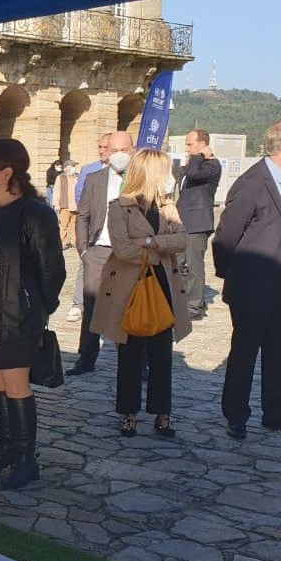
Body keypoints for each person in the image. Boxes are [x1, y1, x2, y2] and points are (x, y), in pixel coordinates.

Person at [0, 138, 64, 491]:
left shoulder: (36, 212)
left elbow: (52, 269)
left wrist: (38, 307)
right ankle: (6, 448)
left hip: (17, 314)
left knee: (16, 385)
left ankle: (25, 459)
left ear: (6, 172)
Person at [213, 117, 281, 441]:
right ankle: (236, 414)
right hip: (253, 285)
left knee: (279, 350)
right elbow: (226, 237)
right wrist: (237, 274)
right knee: (245, 352)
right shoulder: (251, 183)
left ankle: (277, 413)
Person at [90, 149, 191, 438]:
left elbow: (183, 239)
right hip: (129, 287)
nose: (170, 177)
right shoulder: (119, 206)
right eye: (165, 170)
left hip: (163, 285)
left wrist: (148, 241)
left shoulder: (168, 205)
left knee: (162, 353)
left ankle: (162, 413)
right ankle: (128, 413)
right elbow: (122, 248)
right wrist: (160, 245)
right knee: (130, 353)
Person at [72, 131, 133, 375]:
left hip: (129, 254)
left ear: (132, 150)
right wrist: (84, 249)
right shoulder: (95, 179)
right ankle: (86, 359)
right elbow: (83, 215)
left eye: (123, 150)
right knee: (92, 306)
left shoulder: (140, 179)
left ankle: (134, 361)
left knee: (129, 308)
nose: (118, 155)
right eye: (113, 150)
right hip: (98, 251)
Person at [176, 129, 223, 321]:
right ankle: (192, 298)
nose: (187, 148)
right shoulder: (192, 165)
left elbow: (195, 175)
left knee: (194, 265)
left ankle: (194, 307)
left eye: (190, 144)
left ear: (202, 144)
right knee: (178, 263)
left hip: (198, 223)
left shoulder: (212, 166)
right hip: (182, 221)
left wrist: (199, 157)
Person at [67, 134, 111, 322]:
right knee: (85, 269)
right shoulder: (89, 170)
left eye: (105, 147)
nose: (101, 150)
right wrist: (83, 246)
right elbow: (80, 198)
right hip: (94, 234)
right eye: (99, 146)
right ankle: (78, 304)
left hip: (116, 238)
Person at [54, 160, 79, 248]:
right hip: (64, 206)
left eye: (74, 166)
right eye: (72, 166)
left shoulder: (78, 177)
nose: (74, 168)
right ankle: (63, 242)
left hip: (76, 206)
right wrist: (56, 204)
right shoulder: (60, 178)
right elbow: (56, 191)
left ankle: (74, 242)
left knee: (75, 226)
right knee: (63, 226)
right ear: (67, 168)